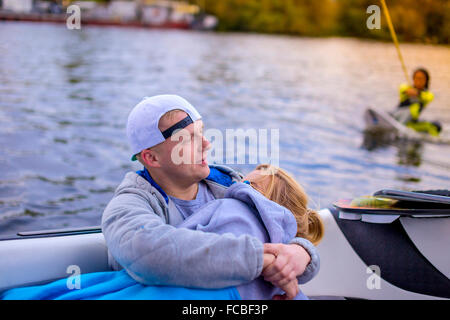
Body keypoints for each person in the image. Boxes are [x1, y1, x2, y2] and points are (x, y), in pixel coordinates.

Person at [102, 94, 320, 299]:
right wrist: (259, 260)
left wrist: (302, 253)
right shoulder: (127, 205)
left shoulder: (229, 187)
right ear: (152, 158)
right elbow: (148, 253)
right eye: (188, 139)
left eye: (202, 133)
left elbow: (277, 228)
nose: (206, 144)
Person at [1, 164, 322, 300]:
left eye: (248, 183)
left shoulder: (228, 196)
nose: (239, 186)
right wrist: (265, 259)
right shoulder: (135, 197)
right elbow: (147, 249)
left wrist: (302, 253)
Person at [391, 68, 442, 136]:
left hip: (410, 122)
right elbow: (401, 87)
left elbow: (428, 97)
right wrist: (408, 91)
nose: (418, 80)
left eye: (421, 78)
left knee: (435, 126)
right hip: (397, 116)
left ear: (426, 81)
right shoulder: (407, 88)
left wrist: (417, 93)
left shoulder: (427, 95)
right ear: (413, 79)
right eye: (416, 78)